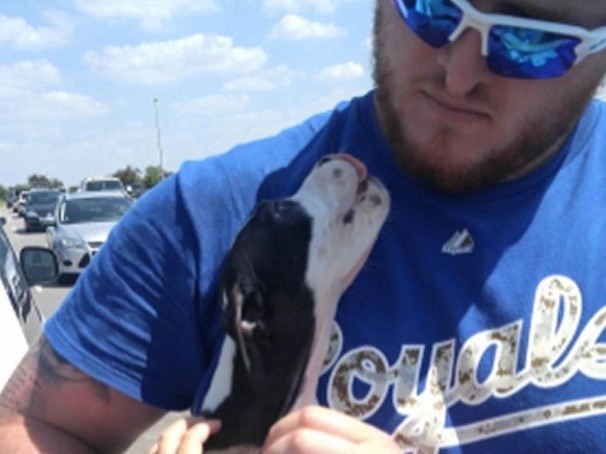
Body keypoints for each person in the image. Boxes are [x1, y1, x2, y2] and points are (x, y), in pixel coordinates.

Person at [2, 0, 606, 452]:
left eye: (530, 41)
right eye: (430, 7)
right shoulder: (216, 212)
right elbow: (32, 425)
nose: (458, 74)